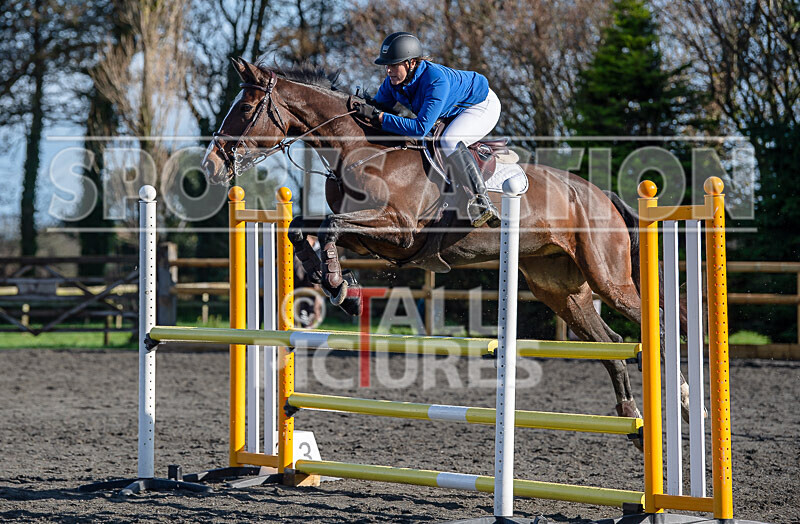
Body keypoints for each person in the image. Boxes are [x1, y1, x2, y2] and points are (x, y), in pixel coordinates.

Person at [355, 32, 501, 228]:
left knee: (449, 141)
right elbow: (377, 109)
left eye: (393, 65)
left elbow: (419, 129)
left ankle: (482, 202)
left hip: (480, 105)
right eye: (386, 66)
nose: (388, 71)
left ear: (411, 63)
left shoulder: (435, 80)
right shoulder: (393, 83)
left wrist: (380, 117)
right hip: (451, 110)